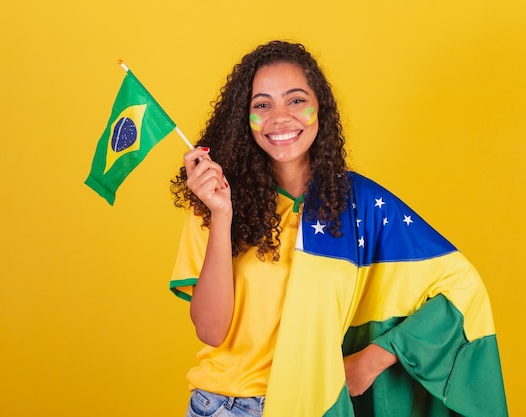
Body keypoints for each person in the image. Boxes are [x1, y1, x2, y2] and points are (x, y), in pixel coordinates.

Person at [169, 40, 508, 417]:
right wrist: (221, 215)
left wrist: (374, 359)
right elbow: (211, 331)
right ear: (242, 118)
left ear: (320, 110)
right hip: (227, 406)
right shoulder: (216, 199)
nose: (279, 117)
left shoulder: (359, 204)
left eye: (296, 100)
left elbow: (461, 289)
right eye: (262, 105)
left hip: (318, 406)